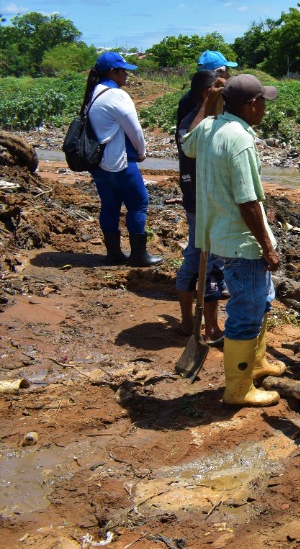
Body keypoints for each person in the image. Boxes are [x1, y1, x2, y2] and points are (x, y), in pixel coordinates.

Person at [182, 74, 285, 407]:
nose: (265, 109)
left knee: (261, 300)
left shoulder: (211, 127)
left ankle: (256, 363)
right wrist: (267, 247)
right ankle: (238, 389)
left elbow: (187, 143)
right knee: (246, 310)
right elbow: (247, 200)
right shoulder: (238, 138)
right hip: (241, 241)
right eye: (263, 103)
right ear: (252, 105)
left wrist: (207, 105)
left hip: (219, 233)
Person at [83, 51, 163, 267]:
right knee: (138, 203)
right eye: (123, 71)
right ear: (112, 72)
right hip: (120, 162)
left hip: (99, 164)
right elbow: (134, 129)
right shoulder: (117, 95)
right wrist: (142, 150)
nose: (126, 75)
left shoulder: (93, 94)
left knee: (109, 205)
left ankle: (114, 254)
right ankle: (138, 256)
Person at [174, 70, 228, 341]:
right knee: (205, 262)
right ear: (206, 93)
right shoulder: (191, 122)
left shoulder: (213, 121)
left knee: (203, 260)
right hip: (199, 201)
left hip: (208, 200)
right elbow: (188, 145)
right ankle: (199, 324)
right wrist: (208, 105)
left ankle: (200, 324)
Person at [176, 50, 236, 129]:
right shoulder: (223, 96)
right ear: (219, 72)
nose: (229, 75)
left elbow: (180, 135)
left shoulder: (186, 98)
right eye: (227, 70)